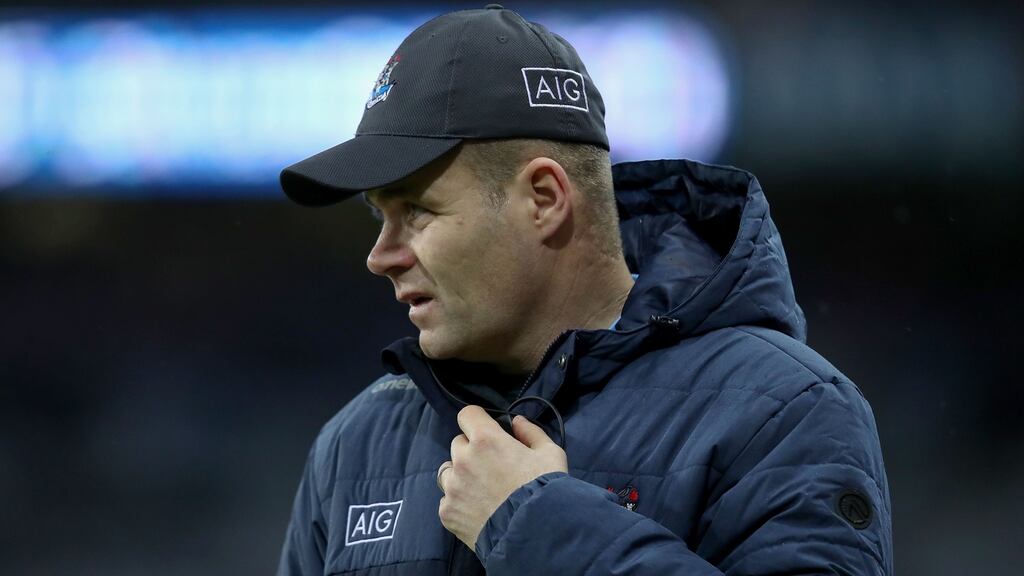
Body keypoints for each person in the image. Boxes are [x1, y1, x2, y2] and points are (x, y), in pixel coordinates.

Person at [276, 5, 892, 575]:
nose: (380, 257)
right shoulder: (355, 444)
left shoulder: (785, 412)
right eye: (378, 216)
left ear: (543, 199)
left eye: (417, 211)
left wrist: (538, 522)